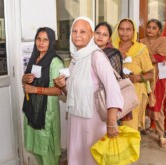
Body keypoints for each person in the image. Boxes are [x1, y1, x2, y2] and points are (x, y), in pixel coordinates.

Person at [54, 17, 123, 165]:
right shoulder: (75, 59)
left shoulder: (96, 56)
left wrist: (111, 123)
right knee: (78, 157)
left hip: (93, 121)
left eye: (82, 31)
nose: (77, 35)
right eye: (74, 31)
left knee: (92, 158)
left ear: (91, 35)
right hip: (75, 119)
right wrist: (62, 85)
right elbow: (71, 92)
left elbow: (113, 89)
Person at [22, 27, 64, 165]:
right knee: (37, 149)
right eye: (38, 39)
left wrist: (35, 89)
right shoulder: (35, 58)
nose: (41, 43)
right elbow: (26, 81)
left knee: (47, 151)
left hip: (46, 112)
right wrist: (25, 78)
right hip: (33, 109)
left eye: (45, 40)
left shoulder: (55, 61)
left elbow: (58, 90)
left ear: (51, 42)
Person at [111, 19, 154, 130]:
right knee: (113, 127)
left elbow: (150, 74)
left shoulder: (141, 49)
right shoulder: (111, 47)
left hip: (133, 95)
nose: (124, 32)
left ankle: (130, 147)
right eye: (122, 29)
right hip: (114, 93)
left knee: (130, 128)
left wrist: (138, 77)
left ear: (133, 31)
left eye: (128, 29)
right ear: (117, 30)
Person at [140, 19, 166, 147]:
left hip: (157, 78)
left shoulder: (163, 41)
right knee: (142, 104)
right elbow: (140, 57)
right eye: (148, 27)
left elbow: (162, 57)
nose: (150, 30)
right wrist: (152, 56)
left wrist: (148, 56)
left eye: (154, 28)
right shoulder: (142, 41)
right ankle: (139, 130)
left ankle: (161, 135)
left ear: (159, 30)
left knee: (158, 106)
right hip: (144, 76)